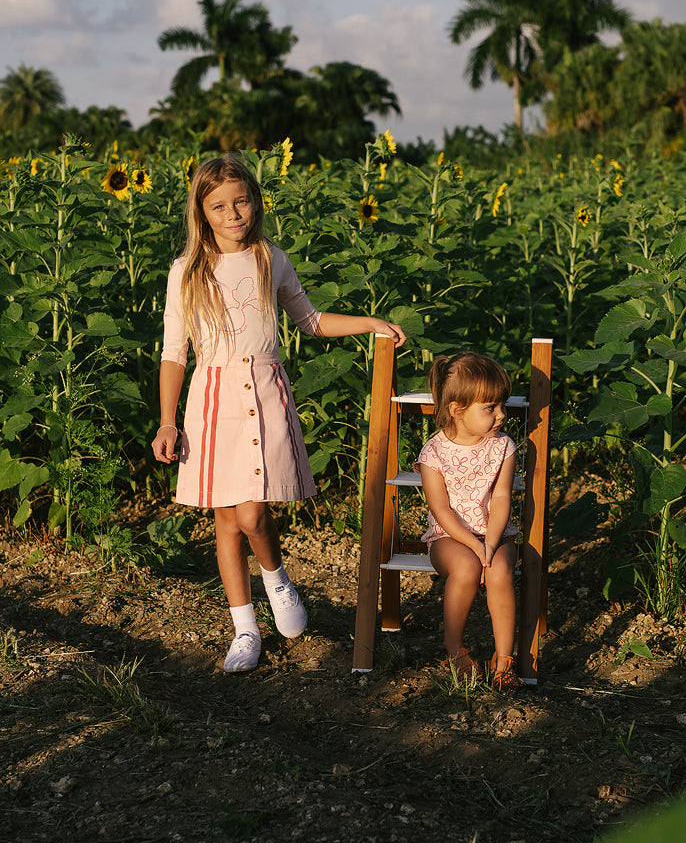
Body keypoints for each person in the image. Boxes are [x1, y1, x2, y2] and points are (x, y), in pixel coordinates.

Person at [151, 154, 406, 672]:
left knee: (252, 513)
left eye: (241, 200)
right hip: (213, 399)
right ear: (201, 212)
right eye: (218, 205)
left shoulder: (272, 259)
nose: (232, 213)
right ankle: (245, 627)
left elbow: (309, 319)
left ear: (255, 201)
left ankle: (277, 578)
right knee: (226, 518)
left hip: (263, 392)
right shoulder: (186, 271)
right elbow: (174, 352)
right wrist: (168, 420)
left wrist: (369, 322)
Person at [414, 352, 522, 692]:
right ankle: (455, 650)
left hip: (496, 533)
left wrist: (489, 543)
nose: (501, 415)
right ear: (457, 409)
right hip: (448, 537)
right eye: (489, 408)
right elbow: (441, 510)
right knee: (465, 569)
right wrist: (474, 545)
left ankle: (504, 660)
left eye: (501, 406)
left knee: (500, 571)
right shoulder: (433, 453)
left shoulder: (504, 447)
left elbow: (502, 497)